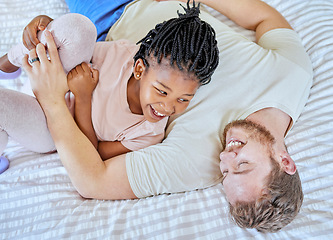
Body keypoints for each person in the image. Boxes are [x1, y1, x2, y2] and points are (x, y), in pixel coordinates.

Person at [11, 0, 315, 232]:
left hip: (108, 25)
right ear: (285, 161)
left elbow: (92, 180)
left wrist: (52, 101)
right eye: (243, 165)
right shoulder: (293, 75)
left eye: (226, 173)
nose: (226, 158)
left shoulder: (193, 163)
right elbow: (266, 18)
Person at [0, 2, 219, 161]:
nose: (169, 107)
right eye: (162, 92)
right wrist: (52, 28)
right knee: (81, 28)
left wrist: (83, 97)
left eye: (183, 99)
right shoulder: (126, 56)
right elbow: (74, 50)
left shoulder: (148, 134)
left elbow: (90, 152)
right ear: (140, 69)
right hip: (49, 76)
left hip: (50, 128)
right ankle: (9, 61)